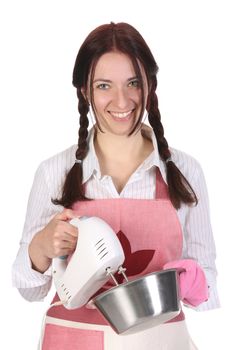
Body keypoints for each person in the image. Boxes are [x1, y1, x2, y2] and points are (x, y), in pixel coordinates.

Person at [12, 22, 220, 349]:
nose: (121, 100)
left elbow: (206, 283)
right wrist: (40, 247)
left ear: (150, 85)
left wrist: (196, 282)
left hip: (161, 342)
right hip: (74, 341)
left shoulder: (185, 172)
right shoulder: (55, 171)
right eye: (104, 86)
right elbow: (29, 290)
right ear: (85, 91)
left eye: (133, 83)